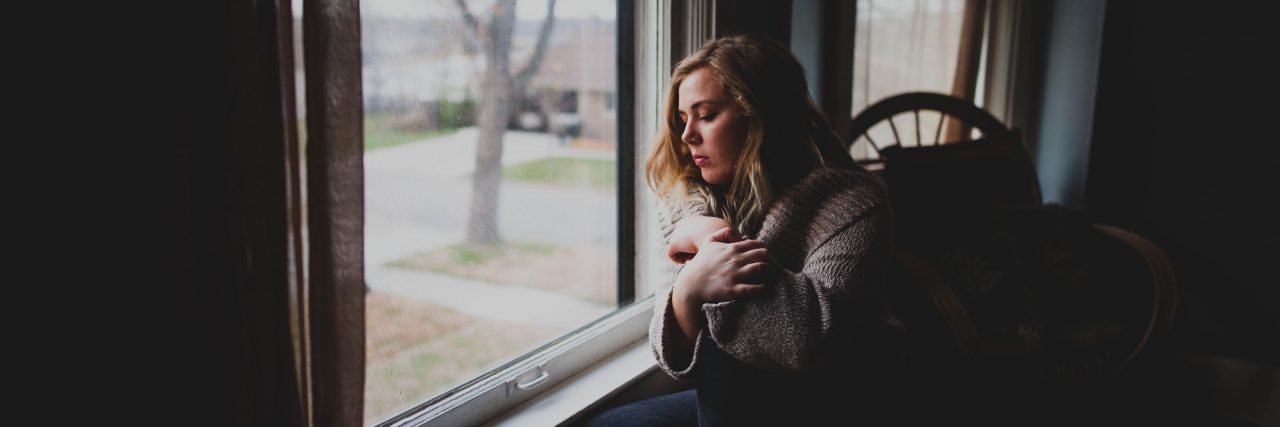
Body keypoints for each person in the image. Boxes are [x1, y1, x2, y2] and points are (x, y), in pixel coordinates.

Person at [586, 34, 904, 426]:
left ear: (761, 116)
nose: (687, 136)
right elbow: (672, 355)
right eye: (683, 119)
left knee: (730, 354)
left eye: (705, 115)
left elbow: (804, 342)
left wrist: (715, 239)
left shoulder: (855, 201)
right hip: (730, 400)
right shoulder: (684, 202)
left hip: (842, 396)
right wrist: (687, 291)